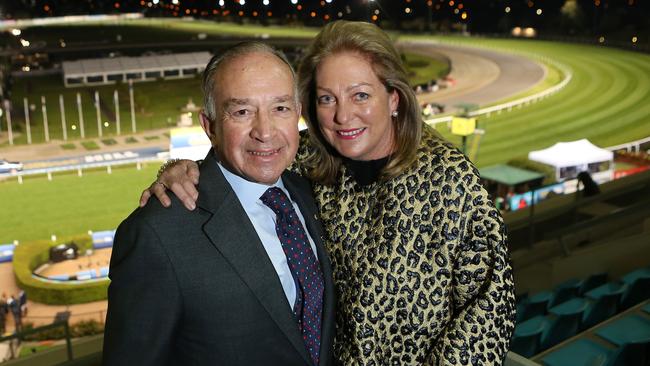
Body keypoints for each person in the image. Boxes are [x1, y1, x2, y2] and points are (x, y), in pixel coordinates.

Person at [144, 21, 516, 365]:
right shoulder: (306, 160)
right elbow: (245, 154)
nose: (342, 116)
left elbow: (488, 312)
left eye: (360, 95)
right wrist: (180, 170)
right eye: (326, 99)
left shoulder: (450, 179)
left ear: (394, 99)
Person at [103, 42, 335, 366]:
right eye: (241, 112)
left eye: (280, 108)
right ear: (209, 125)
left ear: (297, 112)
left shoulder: (311, 191)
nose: (265, 132)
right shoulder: (156, 233)